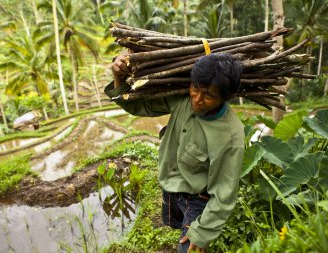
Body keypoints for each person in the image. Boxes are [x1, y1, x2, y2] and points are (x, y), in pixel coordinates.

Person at [105, 53, 245, 253]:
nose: (197, 99)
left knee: (189, 248)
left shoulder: (230, 136)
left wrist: (203, 231)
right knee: (178, 227)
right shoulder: (182, 100)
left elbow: (224, 193)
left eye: (208, 95)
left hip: (200, 199)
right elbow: (137, 104)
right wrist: (119, 78)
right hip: (172, 186)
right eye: (195, 89)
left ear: (226, 97)